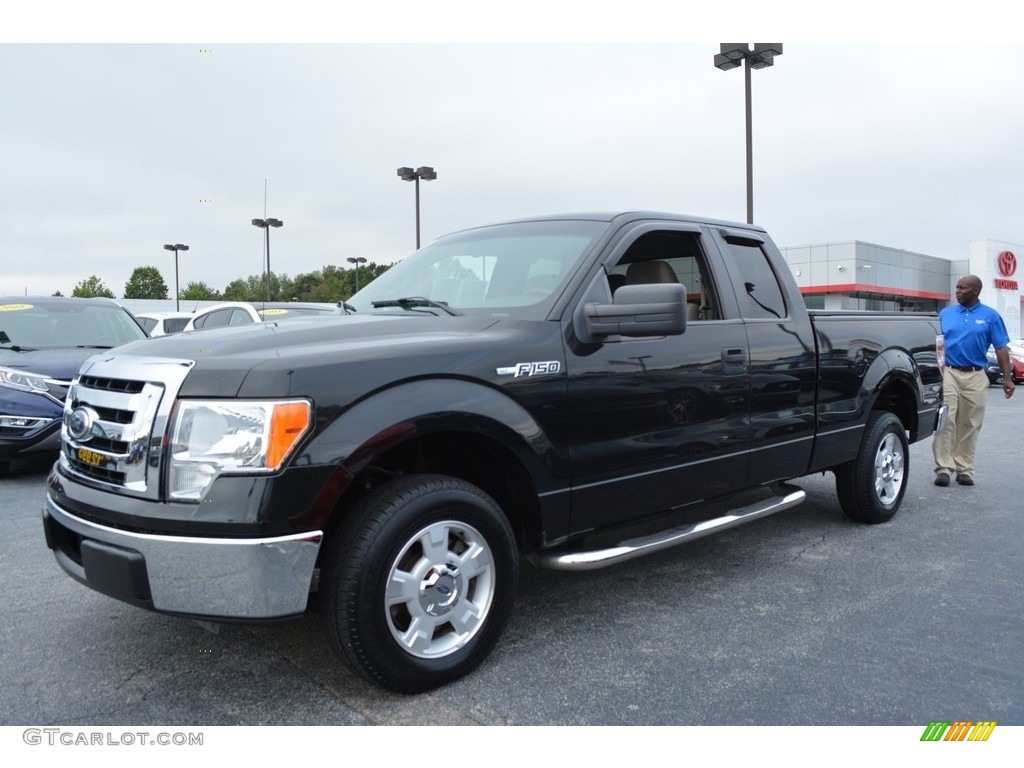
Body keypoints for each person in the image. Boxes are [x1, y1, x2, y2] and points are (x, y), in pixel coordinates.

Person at [933, 274, 1015, 487]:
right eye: (957, 287)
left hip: (976, 375)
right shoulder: (946, 314)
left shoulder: (991, 316)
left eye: (962, 288)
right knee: (946, 420)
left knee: (970, 423)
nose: (957, 291)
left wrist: (1007, 378)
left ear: (976, 290)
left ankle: (964, 469)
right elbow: (936, 342)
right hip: (948, 372)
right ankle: (943, 468)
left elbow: (1001, 348)